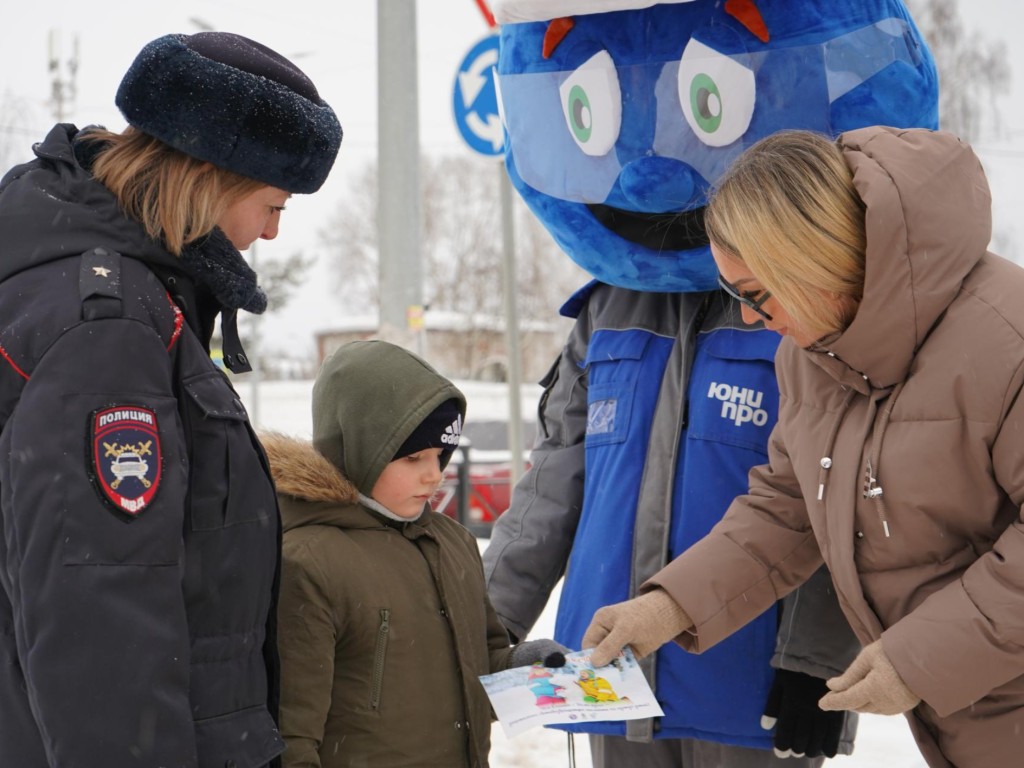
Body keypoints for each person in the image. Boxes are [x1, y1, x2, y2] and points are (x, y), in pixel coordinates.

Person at [483, 1, 939, 765]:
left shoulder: (810, 308)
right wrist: (480, 625)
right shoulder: (606, 310)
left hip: (752, 684)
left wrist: (813, 662)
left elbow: (841, 500)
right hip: (609, 676)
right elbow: (552, 486)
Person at [582, 125, 1024, 768]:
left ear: (814, 258)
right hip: (976, 708)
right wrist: (669, 604)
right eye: (736, 295)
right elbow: (788, 509)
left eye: (757, 293)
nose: (752, 319)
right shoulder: (812, 357)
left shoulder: (1007, 342)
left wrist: (920, 656)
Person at [0, 31, 342, 767]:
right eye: (273, 204)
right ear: (212, 178)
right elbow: (102, 623)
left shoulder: (120, 297)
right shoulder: (111, 326)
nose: (272, 234)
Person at [267, 339, 567, 768]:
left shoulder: (453, 544)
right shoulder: (308, 562)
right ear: (358, 450)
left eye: (442, 454)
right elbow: (291, 733)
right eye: (413, 457)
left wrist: (523, 668)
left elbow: (472, 676)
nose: (434, 474)